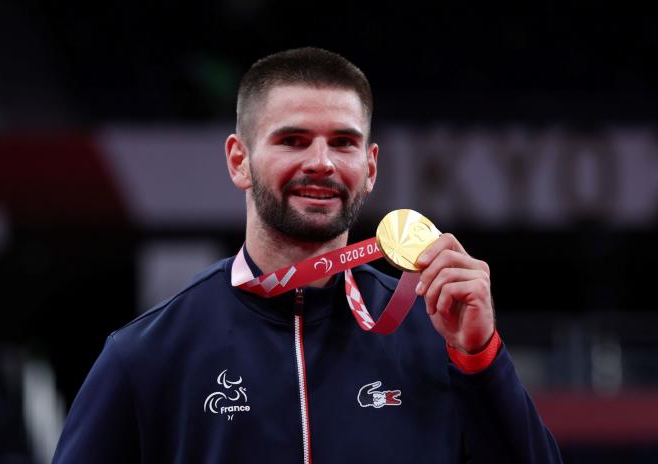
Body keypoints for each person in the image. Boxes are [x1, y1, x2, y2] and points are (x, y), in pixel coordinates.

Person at [53, 47, 562, 463]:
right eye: (293, 140)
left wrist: (480, 359)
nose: (320, 163)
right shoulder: (146, 354)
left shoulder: (434, 332)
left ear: (370, 167)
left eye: (343, 143)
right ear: (239, 160)